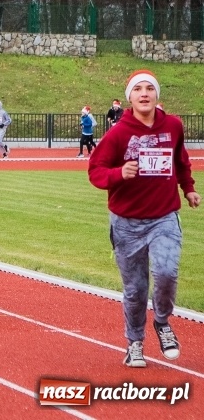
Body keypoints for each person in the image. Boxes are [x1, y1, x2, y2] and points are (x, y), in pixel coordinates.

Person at [88, 69, 200, 368]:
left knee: (166, 273)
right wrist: (118, 174)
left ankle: (162, 322)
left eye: (149, 88)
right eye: (138, 89)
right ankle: (135, 342)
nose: (144, 93)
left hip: (164, 217)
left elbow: (181, 161)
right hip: (127, 223)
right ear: (130, 97)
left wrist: (188, 189)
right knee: (135, 290)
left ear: (156, 94)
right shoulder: (118, 134)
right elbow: (95, 170)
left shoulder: (173, 126)